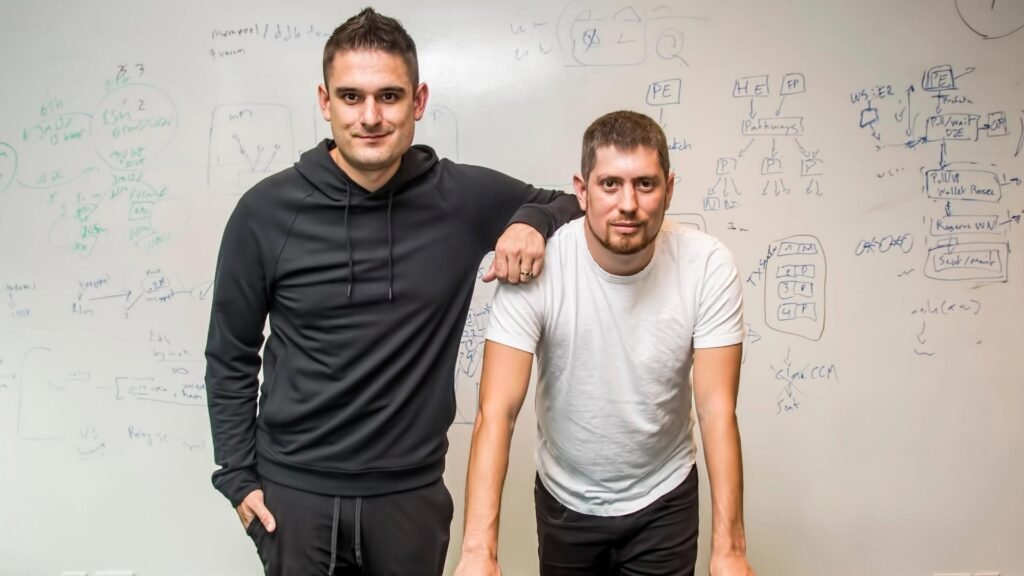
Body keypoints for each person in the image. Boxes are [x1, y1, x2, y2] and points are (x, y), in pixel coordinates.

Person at [204, 7, 581, 575]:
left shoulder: (459, 199)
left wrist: (530, 221)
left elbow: (570, 203)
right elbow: (230, 354)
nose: (370, 116)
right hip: (295, 497)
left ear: (418, 101)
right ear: (325, 102)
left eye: (389, 96)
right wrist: (237, 477)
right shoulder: (265, 212)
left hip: (409, 499)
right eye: (351, 97)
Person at [454, 110, 755, 576]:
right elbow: (497, 412)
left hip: (664, 494)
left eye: (645, 184)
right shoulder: (539, 266)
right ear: (581, 190)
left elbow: (717, 409)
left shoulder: (707, 264)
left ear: (669, 189)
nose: (627, 204)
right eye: (610, 184)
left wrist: (730, 550)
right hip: (566, 498)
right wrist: (478, 552)